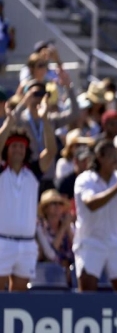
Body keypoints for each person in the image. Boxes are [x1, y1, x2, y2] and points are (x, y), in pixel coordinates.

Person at [0, 110, 56, 291]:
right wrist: (9, 122)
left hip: (27, 244)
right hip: (2, 242)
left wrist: (45, 118)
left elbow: (51, 151)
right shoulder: (1, 172)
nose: (18, 149)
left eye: (21, 146)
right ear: (7, 149)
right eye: (13, 146)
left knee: (18, 297)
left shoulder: (32, 173)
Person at [73, 139, 117, 292]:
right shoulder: (85, 180)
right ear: (99, 157)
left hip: (116, 242)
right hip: (90, 242)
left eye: (115, 155)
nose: (115, 160)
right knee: (87, 293)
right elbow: (91, 204)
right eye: (111, 156)